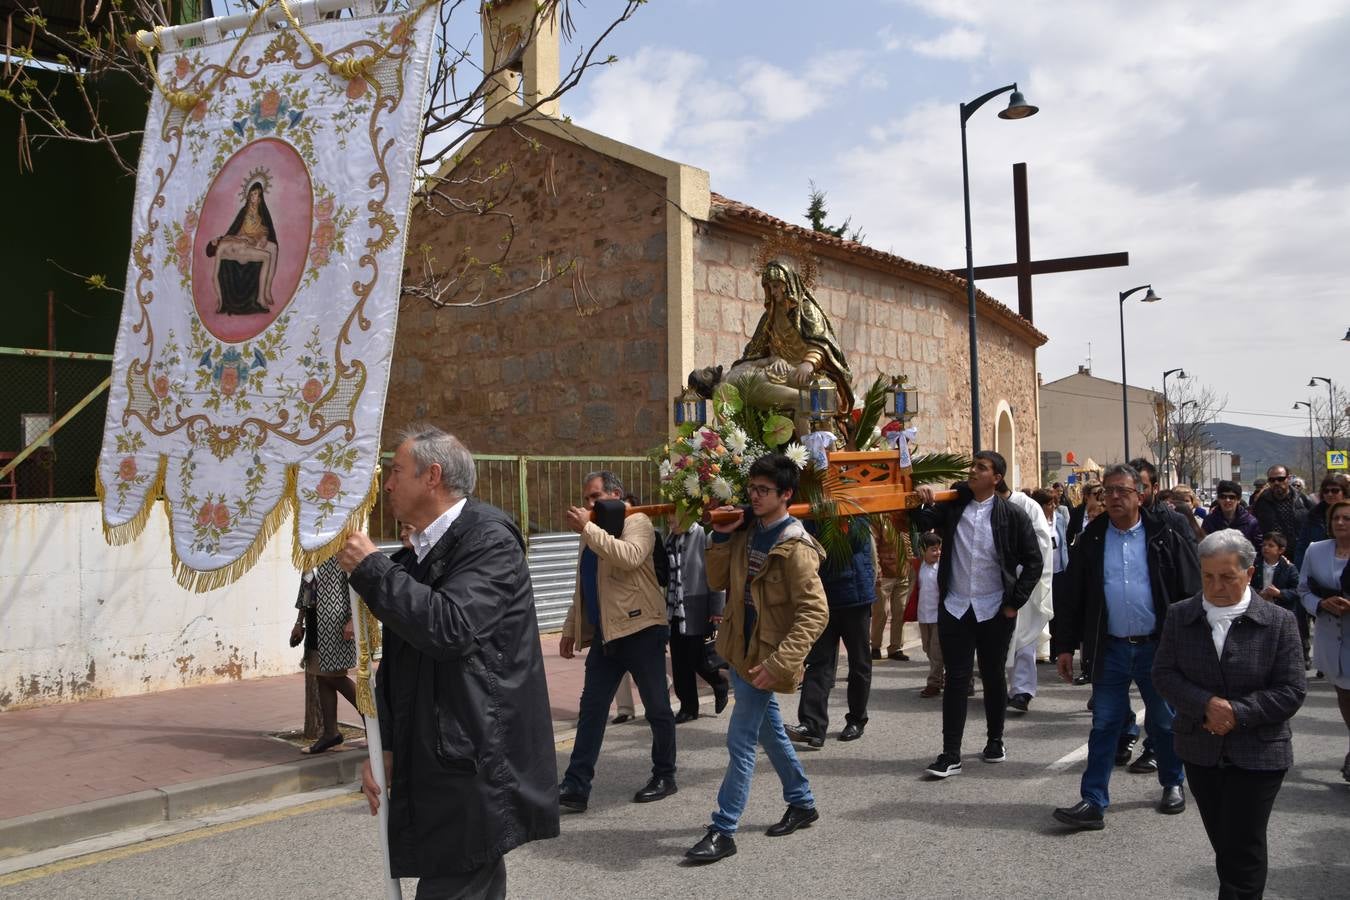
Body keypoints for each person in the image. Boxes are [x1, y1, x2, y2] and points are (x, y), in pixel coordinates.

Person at [337, 425, 557, 898]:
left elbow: (450, 627)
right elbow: (400, 657)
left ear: (431, 476)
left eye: (396, 471)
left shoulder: (489, 540)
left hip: (472, 760)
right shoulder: (419, 550)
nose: (388, 484)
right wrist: (388, 746)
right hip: (438, 756)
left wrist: (374, 569)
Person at [684, 453, 829, 864]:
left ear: (786, 494)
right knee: (769, 733)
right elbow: (716, 580)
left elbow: (816, 613)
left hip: (767, 659)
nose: (755, 496)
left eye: (764, 490)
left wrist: (781, 663)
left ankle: (723, 828)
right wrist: (721, 536)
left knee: (740, 739)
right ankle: (802, 801)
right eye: (752, 489)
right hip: (741, 650)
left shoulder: (796, 548)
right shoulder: (748, 534)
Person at [1153, 529, 1307, 899]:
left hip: (1260, 752)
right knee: (1226, 842)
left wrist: (1236, 712)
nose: (1216, 586)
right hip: (1200, 749)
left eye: (1227, 577)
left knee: (1243, 847)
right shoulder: (1181, 615)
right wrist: (1205, 704)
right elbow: (1164, 673)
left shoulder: (1279, 621)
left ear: (1249, 574)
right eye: (1208, 577)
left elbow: (1291, 690)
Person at [1051, 462, 1200, 830]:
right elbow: (1073, 598)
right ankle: (1093, 801)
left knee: (1164, 722)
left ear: (1140, 495)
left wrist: (1192, 643)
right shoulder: (1092, 539)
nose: (1113, 497)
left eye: (1122, 491)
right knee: (1104, 725)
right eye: (1108, 491)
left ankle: (1172, 783)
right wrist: (1065, 646)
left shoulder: (1163, 535)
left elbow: (1189, 590)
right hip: (1111, 648)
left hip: (1158, 647)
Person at [912, 450, 1043, 777]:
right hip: (956, 607)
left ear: (996, 477)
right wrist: (922, 500)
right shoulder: (954, 506)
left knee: (993, 674)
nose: (973, 471)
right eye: (973, 466)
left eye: (981, 468)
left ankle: (995, 739)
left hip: (994, 609)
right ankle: (950, 753)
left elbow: (1034, 562)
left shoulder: (1012, 515)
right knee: (956, 679)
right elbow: (921, 522)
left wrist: (1014, 602)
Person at [557, 471, 677, 811]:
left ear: (616, 494)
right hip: (606, 635)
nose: (589, 505)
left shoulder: (634, 520)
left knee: (657, 707)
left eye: (595, 497)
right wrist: (571, 628)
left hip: (641, 630)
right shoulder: (590, 532)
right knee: (591, 711)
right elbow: (585, 585)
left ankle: (665, 774)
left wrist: (589, 529)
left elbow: (629, 557)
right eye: (586, 499)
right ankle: (576, 786)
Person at [789, 516, 876, 748]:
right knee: (819, 663)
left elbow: (854, 541)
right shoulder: (810, 509)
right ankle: (812, 725)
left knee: (859, 663)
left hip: (855, 596)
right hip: (822, 596)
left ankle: (857, 719)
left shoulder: (852, 505)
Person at [726, 260, 854, 412]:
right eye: (769, 288)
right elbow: (758, 348)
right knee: (745, 380)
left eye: (776, 286)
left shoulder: (806, 310)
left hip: (806, 370)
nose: (773, 292)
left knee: (820, 392)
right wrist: (775, 358)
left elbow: (821, 343)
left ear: (788, 284)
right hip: (777, 369)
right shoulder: (769, 316)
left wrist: (809, 363)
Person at [1297, 498, 1350, 782]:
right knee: (1344, 692)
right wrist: (1319, 604)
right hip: (1331, 634)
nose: (1340, 523)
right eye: (1336, 518)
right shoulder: (1316, 551)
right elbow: (1303, 589)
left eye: (1347, 518)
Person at [289, 557, 358, 754]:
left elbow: (358, 587)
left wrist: (353, 620)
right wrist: (298, 623)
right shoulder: (312, 554)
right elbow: (305, 590)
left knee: (334, 676)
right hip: (314, 622)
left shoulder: (343, 552)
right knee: (321, 676)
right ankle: (331, 735)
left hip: (336, 624)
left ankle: (375, 723)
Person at [664, 514, 729, 722]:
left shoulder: (703, 536)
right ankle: (688, 707)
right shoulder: (670, 540)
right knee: (679, 663)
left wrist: (717, 608)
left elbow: (715, 574)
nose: (669, 522)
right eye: (668, 518)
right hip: (674, 609)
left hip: (697, 606)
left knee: (697, 658)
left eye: (673, 518)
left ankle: (719, 683)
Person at [1004, 486, 1055, 713]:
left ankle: (1022, 691)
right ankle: (1008, 688)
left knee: (1023, 640)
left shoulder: (1028, 506)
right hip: (999, 581)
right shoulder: (987, 506)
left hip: (1024, 581)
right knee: (1004, 640)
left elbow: (1042, 543)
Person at [208, 181, 280, 314]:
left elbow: (265, 228)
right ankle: (260, 297)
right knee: (266, 255)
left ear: (260, 197)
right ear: (248, 195)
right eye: (252, 194)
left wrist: (264, 236)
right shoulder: (244, 211)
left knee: (273, 248)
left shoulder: (262, 211)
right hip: (245, 241)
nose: (254, 197)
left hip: (255, 240)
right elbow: (234, 230)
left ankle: (267, 289)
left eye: (256, 195)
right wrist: (242, 238)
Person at [871, 523, 912, 660]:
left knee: (900, 611)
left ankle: (896, 648)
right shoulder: (880, 518)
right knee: (881, 611)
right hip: (884, 574)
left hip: (903, 572)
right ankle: (875, 646)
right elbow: (874, 547)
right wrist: (877, 570)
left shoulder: (904, 517)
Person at [912, 532, 945, 697]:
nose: (937, 553)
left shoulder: (942, 568)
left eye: (939, 549)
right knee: (927, 648)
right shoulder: (918, 567)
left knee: (936, 651)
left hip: (939, 617)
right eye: (933, 549)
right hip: (924, 616)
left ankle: (933, 684)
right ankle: (942, 675)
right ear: (922, 550)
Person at [1251, 465, 1308, 559]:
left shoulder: (1302, 499)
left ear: (1288, 479)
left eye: (1280, 479)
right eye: (1272, 480)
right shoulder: (1261, 502)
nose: (1276, 483)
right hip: (1272, 557)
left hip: (1298, 554)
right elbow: (1256, 529)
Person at [1203, 479, 1263, 554]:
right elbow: (1204, 548)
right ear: (1218, 499)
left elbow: (1258, 550)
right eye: (1223, 497)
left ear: (1238, 500)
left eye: (1232, 497)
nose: (1227, 500)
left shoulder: (1251, 522)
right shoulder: (1209, 521)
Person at [1252, 531, 1301, 617]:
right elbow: (1245, 585)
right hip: (1258, 610)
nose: (1266, 548)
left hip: (1281, 612)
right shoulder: (1254, 565)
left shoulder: (1289, 568)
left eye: (1271, 546)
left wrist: (1279, 593)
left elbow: (1298, 590)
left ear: (1281, 550)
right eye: (1264, 545)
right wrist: (1258, 593)